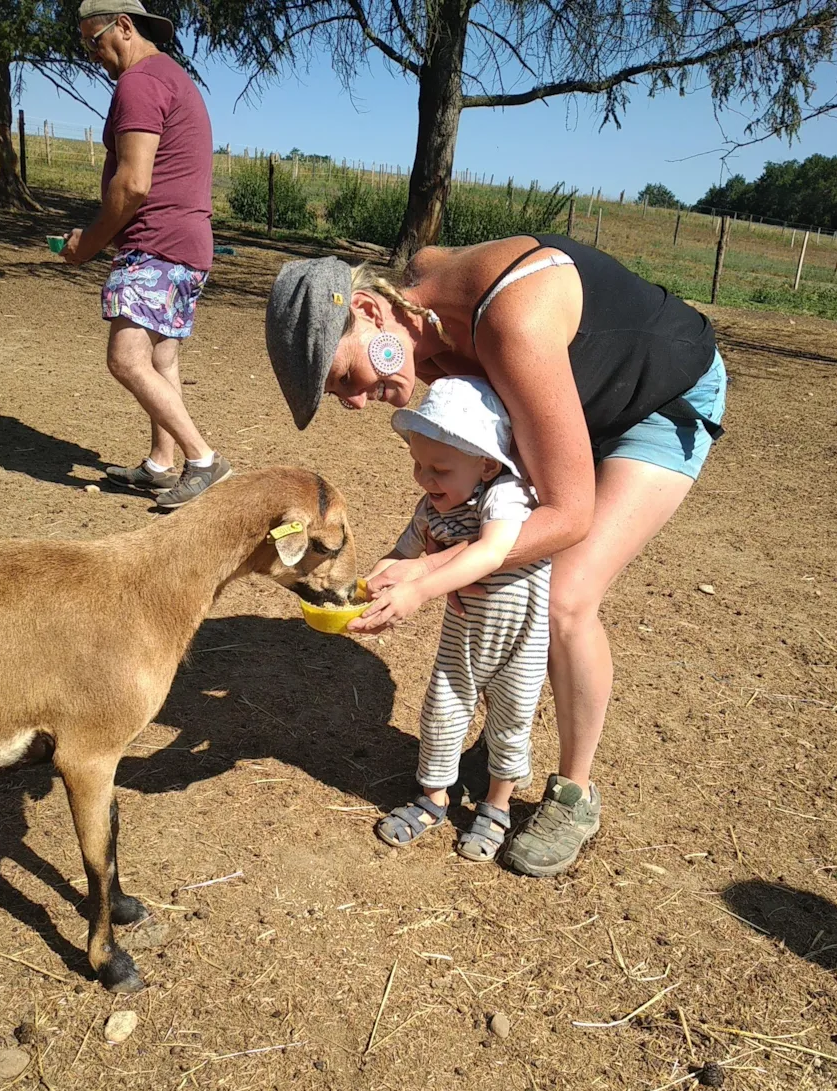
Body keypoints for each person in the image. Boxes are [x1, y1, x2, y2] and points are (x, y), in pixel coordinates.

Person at [264, 235, 727, 878]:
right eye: (342, 394)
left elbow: (568, 516)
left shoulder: (513, 321)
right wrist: (419, 556)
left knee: (565, 594)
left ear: (368, 310)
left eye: (345, 377)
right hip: (573, 400)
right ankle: (500, 739)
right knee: (503, 552)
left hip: (657, 402)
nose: (357, 402)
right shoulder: (423, 310)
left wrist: (429, 572)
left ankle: (575, 794)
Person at [360, 376, 551, 862]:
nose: (425, 479)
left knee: (510, 721)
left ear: (486, 464)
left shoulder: (505, 495)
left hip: (521, 638)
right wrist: (365, 591)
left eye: (440, 469)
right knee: (441, 712)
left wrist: (420, 589)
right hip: (463, 636)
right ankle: (434, 798)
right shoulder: (431, 509)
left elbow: (491, 551)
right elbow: (399, 555)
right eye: (418, 465)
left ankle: (497, 805)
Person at [61, 0, 231, 509]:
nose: (93, 54)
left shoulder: (138, 82)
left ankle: (204, 460)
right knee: (160, 358)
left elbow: (133, 183)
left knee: (126, 358)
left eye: (94, 41)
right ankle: (161, 463)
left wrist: (89, 243)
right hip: (186, 245)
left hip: (156, 244)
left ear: (124, 26)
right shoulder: (170, 77)